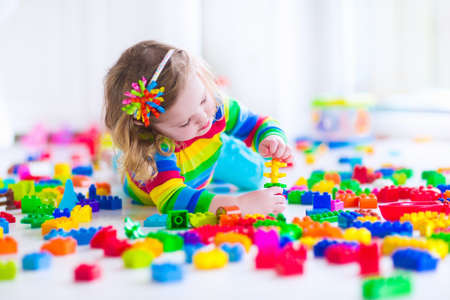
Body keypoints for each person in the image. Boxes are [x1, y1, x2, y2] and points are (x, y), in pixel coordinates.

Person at [104, 40, 293, 215]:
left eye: (202, 100)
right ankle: (116, 160)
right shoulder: (152, 153)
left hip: (208, 156)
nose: (204, 119)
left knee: (256, 175)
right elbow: (173, 199)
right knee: (125, 163)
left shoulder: (215, 106)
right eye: (185, 122)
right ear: (149, 129)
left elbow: (255, 123)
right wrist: (239, 204)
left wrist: (271, 138)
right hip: (160, 181)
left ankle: (215, 148)